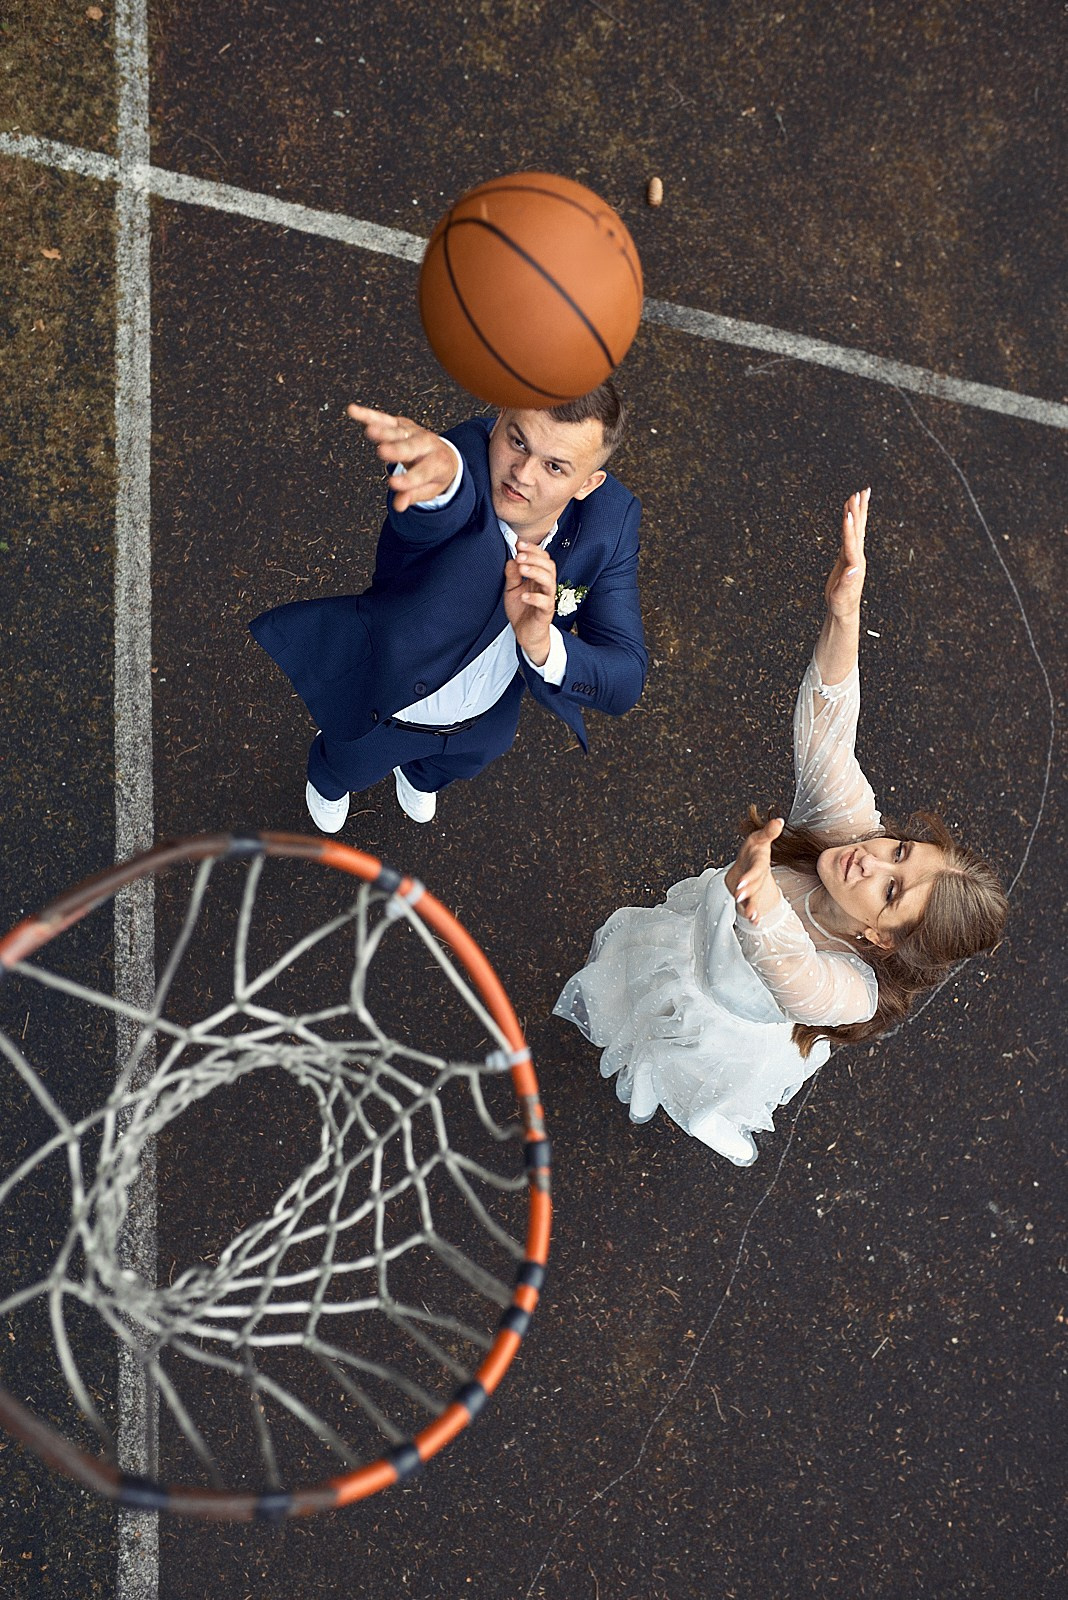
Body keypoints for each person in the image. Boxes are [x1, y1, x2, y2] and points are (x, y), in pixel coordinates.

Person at [554, 488, 1008, 1166]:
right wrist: (844, 611)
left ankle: (662, 1090)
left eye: (892, 890)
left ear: (882, 938)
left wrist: (757, 897)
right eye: (900, 850)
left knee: (668, 1056)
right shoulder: (848, 834)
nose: (873, 859)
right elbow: (828, 728)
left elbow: (791, 971)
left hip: (721, 1017)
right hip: (696, 943)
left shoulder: (852, 991)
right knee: (639, 993)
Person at [250, 382, 647, 830]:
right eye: (518, 441)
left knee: (455, 766)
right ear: (498, 419)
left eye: (555, 467)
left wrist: (541, 643)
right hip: (388, 703)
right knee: (346, 764)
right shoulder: (457, 464)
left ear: (589, 484)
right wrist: (440, 487)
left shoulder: (610, 522)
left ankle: (421, 776)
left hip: (487, 721)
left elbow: (625, 677)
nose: (522, 474)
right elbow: (437, 508)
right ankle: (328, 782)